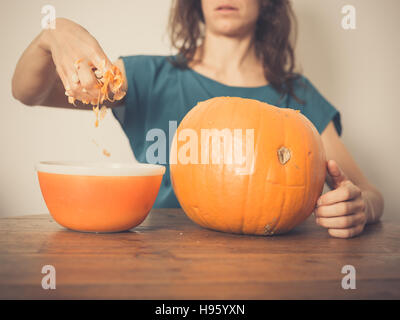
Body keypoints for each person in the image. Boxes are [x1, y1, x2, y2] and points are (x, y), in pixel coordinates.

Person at [12, 0, 383, 238]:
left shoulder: (297, 94)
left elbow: (370, 194)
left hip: (278, 270)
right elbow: (29, 92)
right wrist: (51, 35)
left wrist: (360, 206)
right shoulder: (144, 78)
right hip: (157, 261)